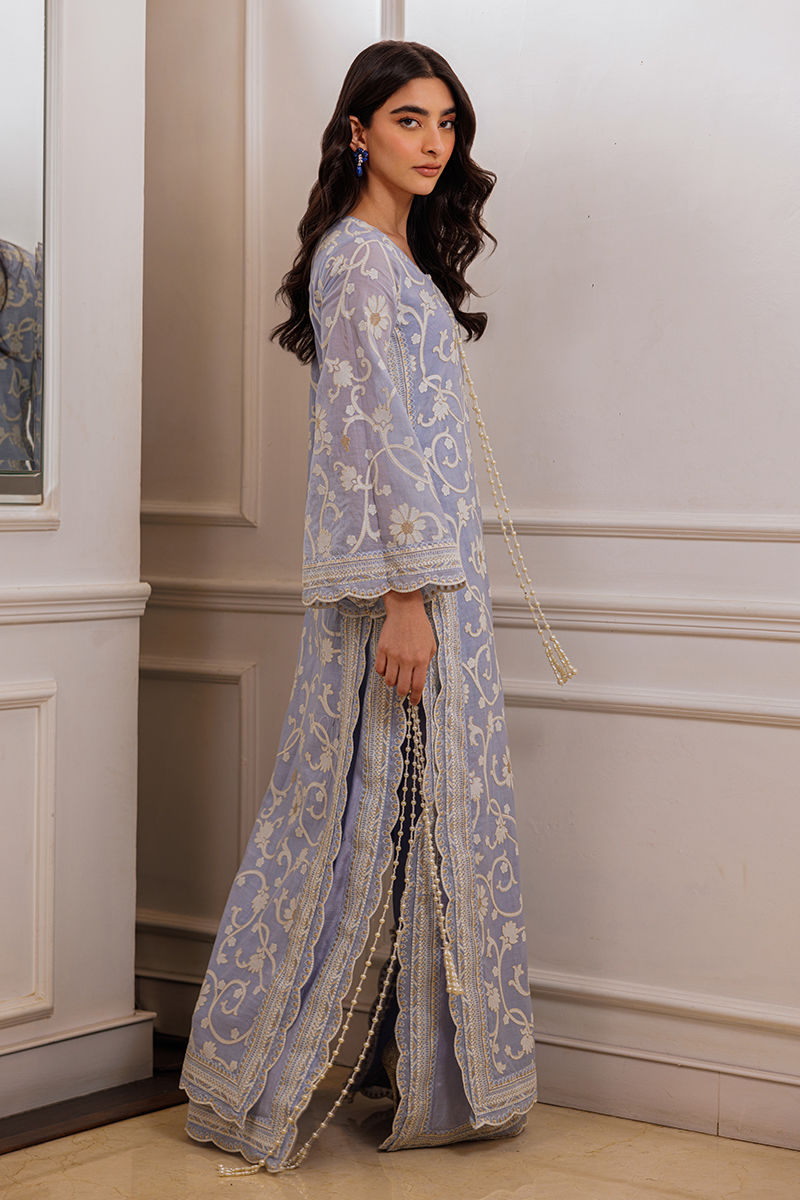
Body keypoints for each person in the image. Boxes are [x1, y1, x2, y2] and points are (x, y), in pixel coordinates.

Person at [180, 38, 574, 1176]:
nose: (433, 143)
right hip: (400, 590)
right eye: (409, 120)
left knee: (417, 822)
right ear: (358, 131)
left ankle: (429, 1071)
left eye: (446, 124)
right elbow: (372, 437)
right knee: (344, 819)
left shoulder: (398, 259)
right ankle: (252, 1077)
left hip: (440, 582)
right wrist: (405, 596)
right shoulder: (354, 260)